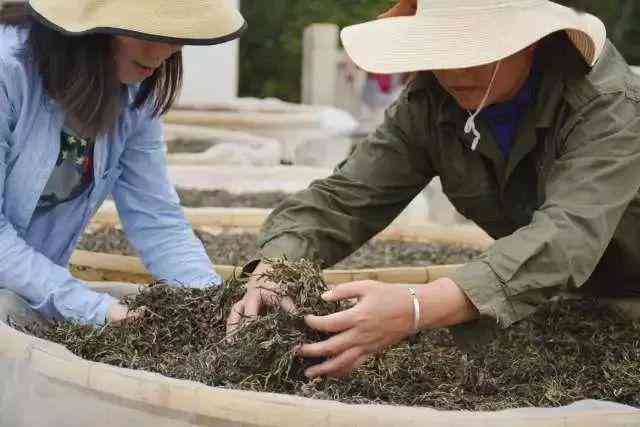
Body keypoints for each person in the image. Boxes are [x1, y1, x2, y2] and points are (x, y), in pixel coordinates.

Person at [228, 0, 640, 379]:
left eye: (474, 50)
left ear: (530, 41)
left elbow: (566, 235)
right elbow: (348, 196)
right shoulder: (431, 100)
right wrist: (276, 268)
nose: (455, 72)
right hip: (564, 297)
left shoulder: (606, 103)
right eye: (442, 50)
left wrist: (415, 307)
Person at [0, 0, 246, 326]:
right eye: (146, 31)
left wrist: (213, 305)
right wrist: (93, 308)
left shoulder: (133, 93)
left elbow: (156, 217)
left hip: (26, 287)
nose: (162, 52)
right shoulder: (8, 71)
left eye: (175, 35)